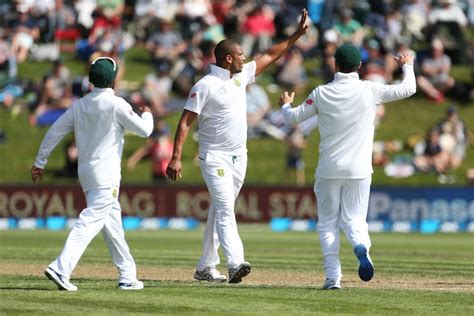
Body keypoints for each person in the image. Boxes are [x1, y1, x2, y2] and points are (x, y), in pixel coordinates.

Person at [166, 9, 309, 284]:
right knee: (225, 208)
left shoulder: (240, 77)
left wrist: (297, 35)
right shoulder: (205, 85)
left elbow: (270, 54)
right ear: (228, 58)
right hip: (214, 157)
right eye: (241, 55)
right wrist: (176, 157)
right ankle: (236, 262)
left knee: (220, 210)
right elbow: (185, 122)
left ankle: (205, 267)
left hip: (238, 157)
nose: (246, 58)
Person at [279, 44, 416, 290]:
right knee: (355, 220)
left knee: (328, 223)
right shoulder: (369, 89)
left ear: (335, 65)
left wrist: (286, 104)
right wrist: (407, 65)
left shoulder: (321, 92)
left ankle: (333, 278)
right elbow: (409, 88)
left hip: (329, 169)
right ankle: (360, 246)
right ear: (360, 66)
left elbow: (293, 118)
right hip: (360, 170)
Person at [30, 57, 153, 291]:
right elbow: (146, 131)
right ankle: (60, 268)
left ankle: (127, 276)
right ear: (114, 79)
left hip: (86, 174)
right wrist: (147, 114)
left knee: (112, 225)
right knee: (91, 220)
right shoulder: (116, 104)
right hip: (106, 175)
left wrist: (40, 162)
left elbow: (55, 131)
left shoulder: (80, 104)